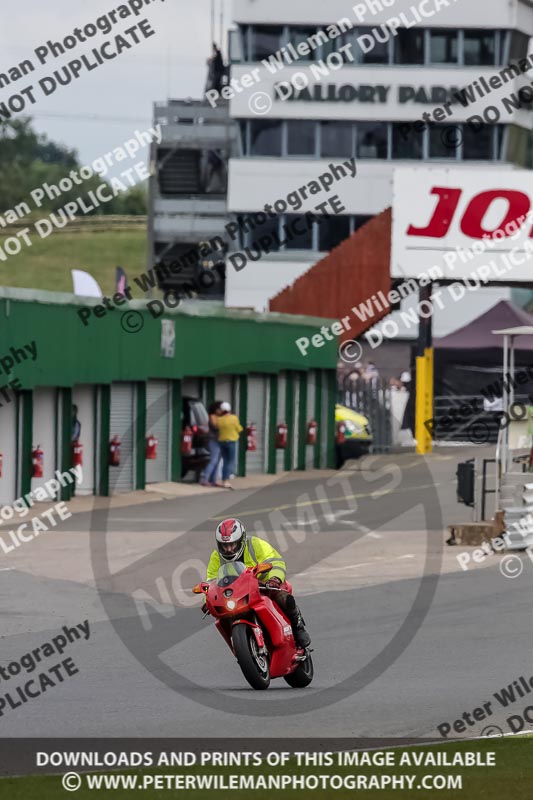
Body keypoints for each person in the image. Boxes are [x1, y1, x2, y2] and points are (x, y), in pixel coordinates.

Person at [206, 518, 311, 648]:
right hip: (238, 593)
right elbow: (211, 582)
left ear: (241, 540)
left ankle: (298, 627)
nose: (229, 549)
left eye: (232, 544)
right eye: (224, 546)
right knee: (223, 616)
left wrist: (275, 579)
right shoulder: (216, 556)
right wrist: (209, 599)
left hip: (266, 584)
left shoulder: (256, 544)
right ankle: (242, 646)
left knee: (283, 598)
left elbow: (276, 561)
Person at [216, 401, 242, 489]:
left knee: (225, 461)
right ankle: (226, 480)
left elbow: (218, 428)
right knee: (230, 461)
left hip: (222, 442)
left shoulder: (219, 419)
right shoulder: (234, 418)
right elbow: (239, 428)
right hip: (231, 441)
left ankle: (224, 480)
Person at [200, 401, 222, 487]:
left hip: (221, 441)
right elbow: (216, 426)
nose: (221, 411)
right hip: (214, 441)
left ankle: (214, 480)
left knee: (217, 462)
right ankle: (205, 479)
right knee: (213, 460)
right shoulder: (212, 416)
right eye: (220, 409)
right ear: (216, 409)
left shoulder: (221, 417)